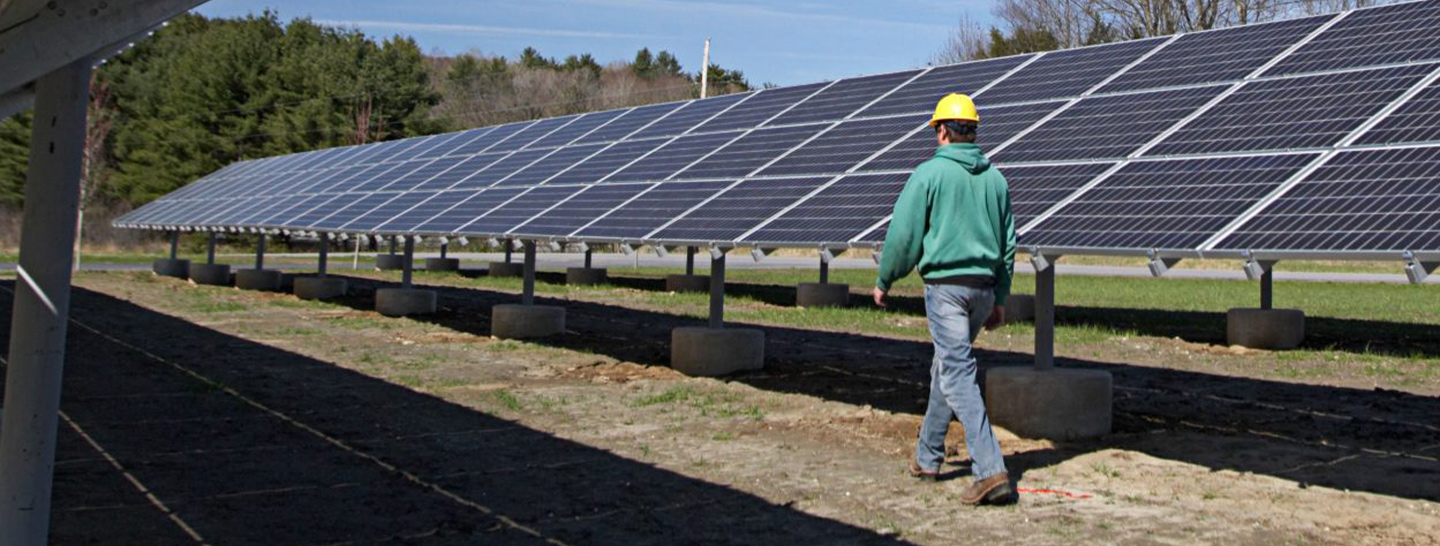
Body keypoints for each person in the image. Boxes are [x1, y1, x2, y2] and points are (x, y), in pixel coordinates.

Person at [872, 93, 1015, 505]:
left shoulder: (928, 174)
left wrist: (885, 278)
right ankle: (928, 456)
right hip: (983, 291)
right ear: (972, 132)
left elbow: (903, 237)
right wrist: (1000, 297)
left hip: (947, 291)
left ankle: (990, 470)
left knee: (956, 372)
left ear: (941, 131)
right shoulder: (996, 179)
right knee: (947, 367)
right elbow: (1008, 245)